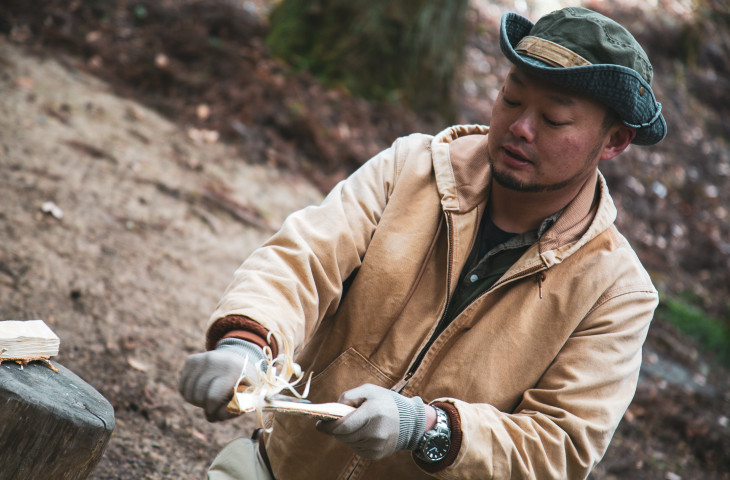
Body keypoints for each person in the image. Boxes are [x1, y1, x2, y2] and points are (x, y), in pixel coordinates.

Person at [179, 6, 667, 480]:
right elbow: (303, 258)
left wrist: (427, 429)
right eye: (511, 100)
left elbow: (560, 446)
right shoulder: (412, 168)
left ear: (614, 141)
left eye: (554, 120)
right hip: (279, 467)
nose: (520, 127)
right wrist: (246, 344)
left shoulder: (617, 293)